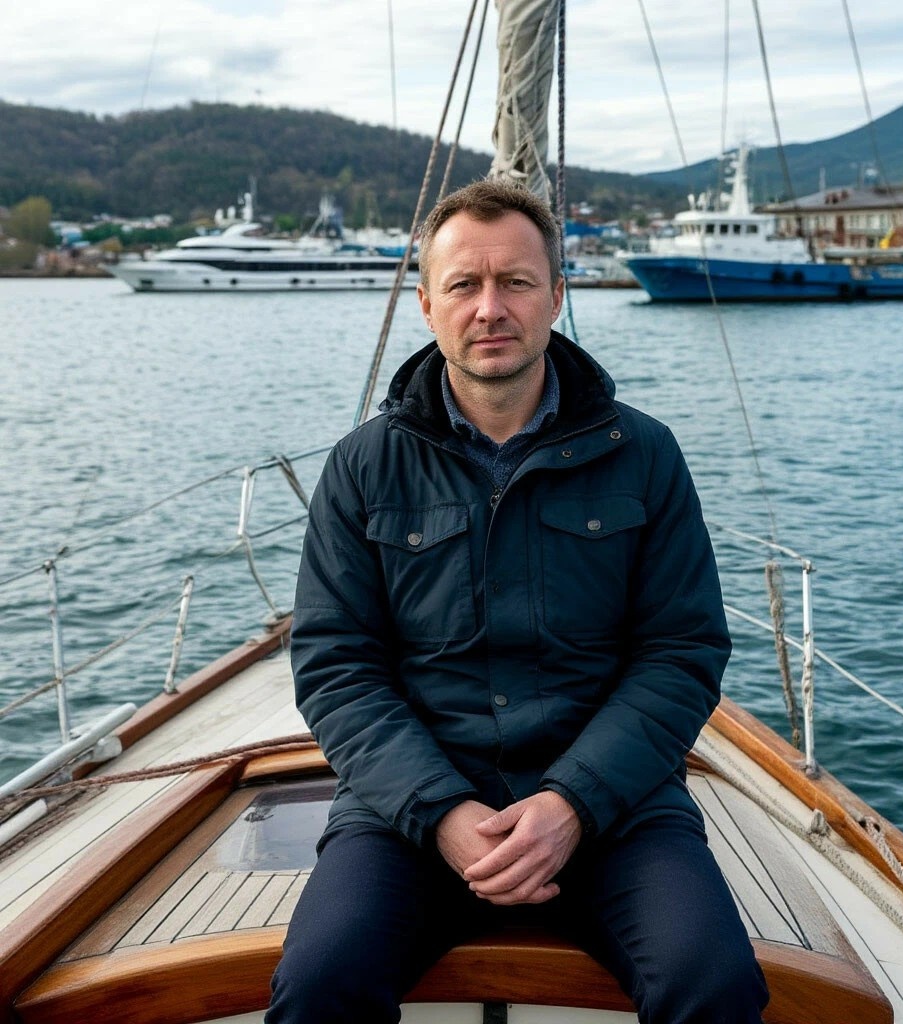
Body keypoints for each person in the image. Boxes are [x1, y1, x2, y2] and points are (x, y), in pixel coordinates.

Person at [267, 178, 768, 1023]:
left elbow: (681, 653)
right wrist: (442, 812)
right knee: (319, 984)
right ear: (428, 305)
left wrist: (573, 804)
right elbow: (337, 667)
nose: (490, 308)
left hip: (615, 806)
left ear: (557, 297)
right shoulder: (363, 467)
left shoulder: (645, 455)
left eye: (517, 282)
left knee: (712, 982)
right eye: (464, 284)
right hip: (411, 809)